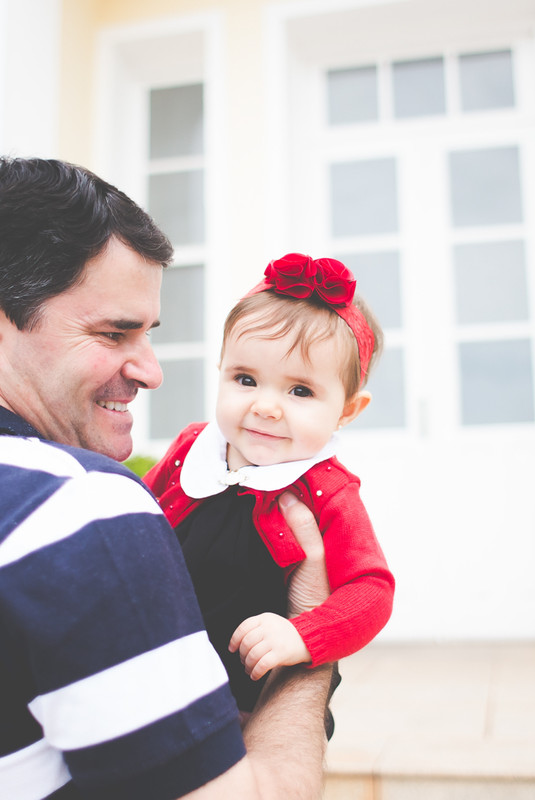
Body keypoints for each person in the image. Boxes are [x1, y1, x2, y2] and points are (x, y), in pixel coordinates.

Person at [0, 157, 336, 799]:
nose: (151, 371)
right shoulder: (79, 506)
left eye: (147, 335)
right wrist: (313, 633)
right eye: (114, 333)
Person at [143, 253, 395, 725]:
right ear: (220, 370)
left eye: (300, 391)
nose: (266, 407)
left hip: (250, 698)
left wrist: (304, 634)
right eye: (246, 379)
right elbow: (135, 513)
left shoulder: (326, 490)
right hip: (161, 675)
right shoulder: (193, 450)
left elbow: (371, 589)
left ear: (348, 410)